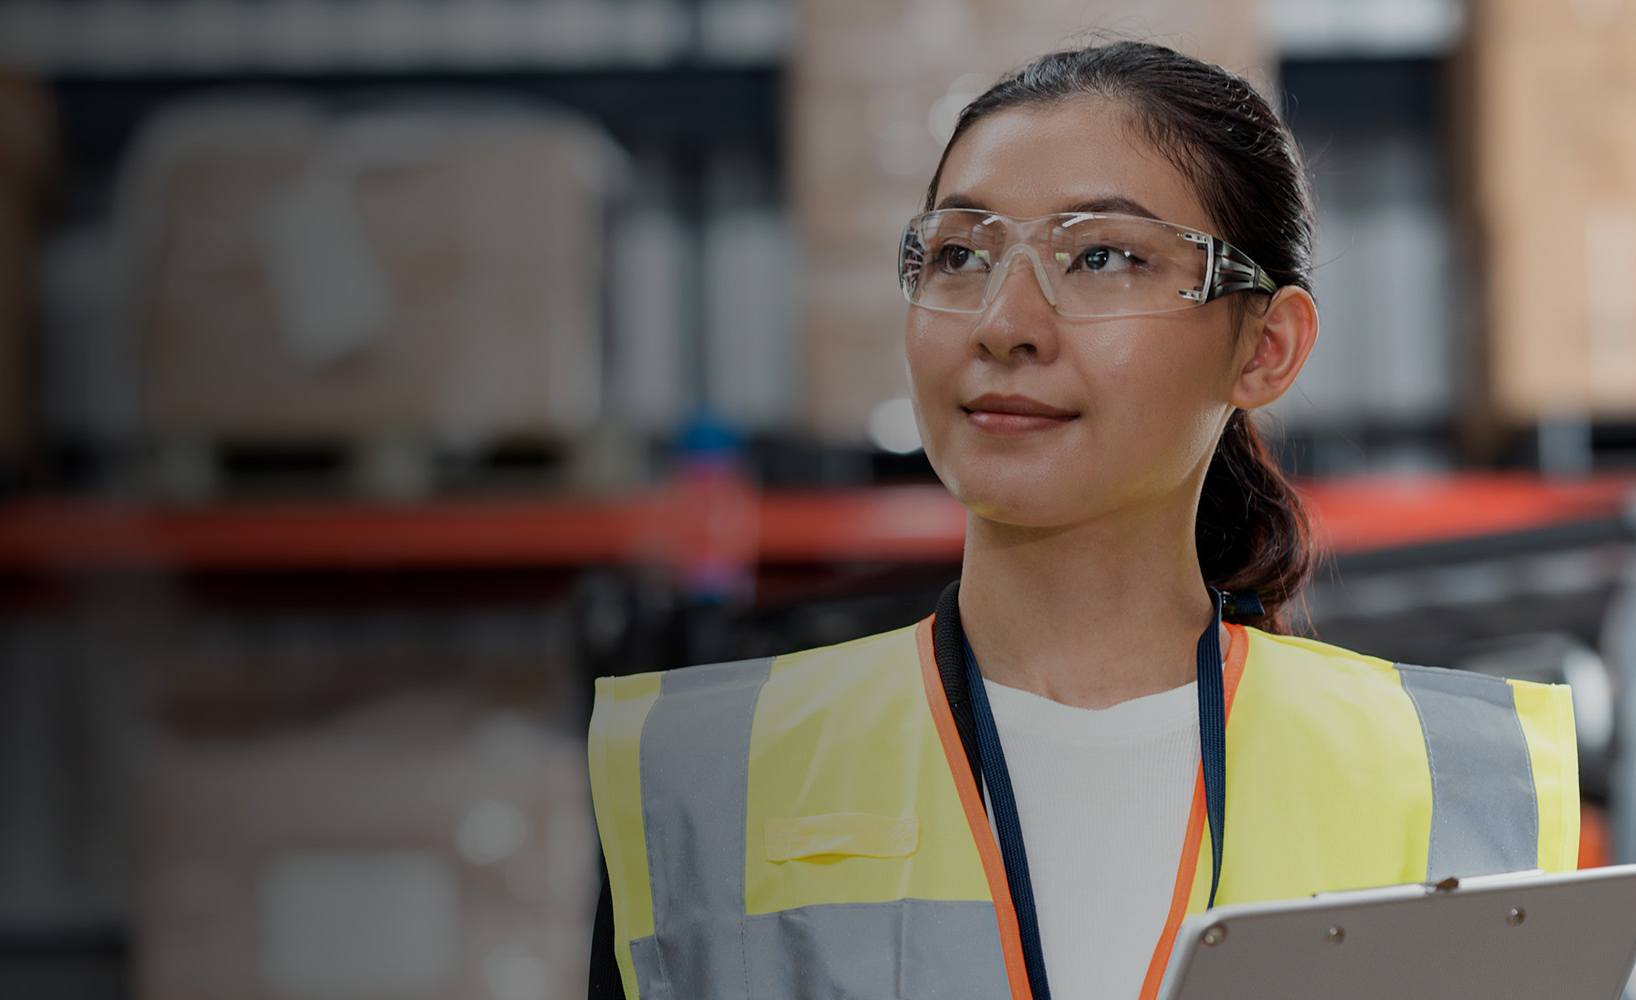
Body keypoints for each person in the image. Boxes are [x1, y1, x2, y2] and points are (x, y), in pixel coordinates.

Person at [587, 42, 1578, 1000]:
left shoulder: (1460, 779)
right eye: (959, 254)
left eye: (1101, 255)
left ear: (1265, 347)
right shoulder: (711, 776)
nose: (1004, 322)